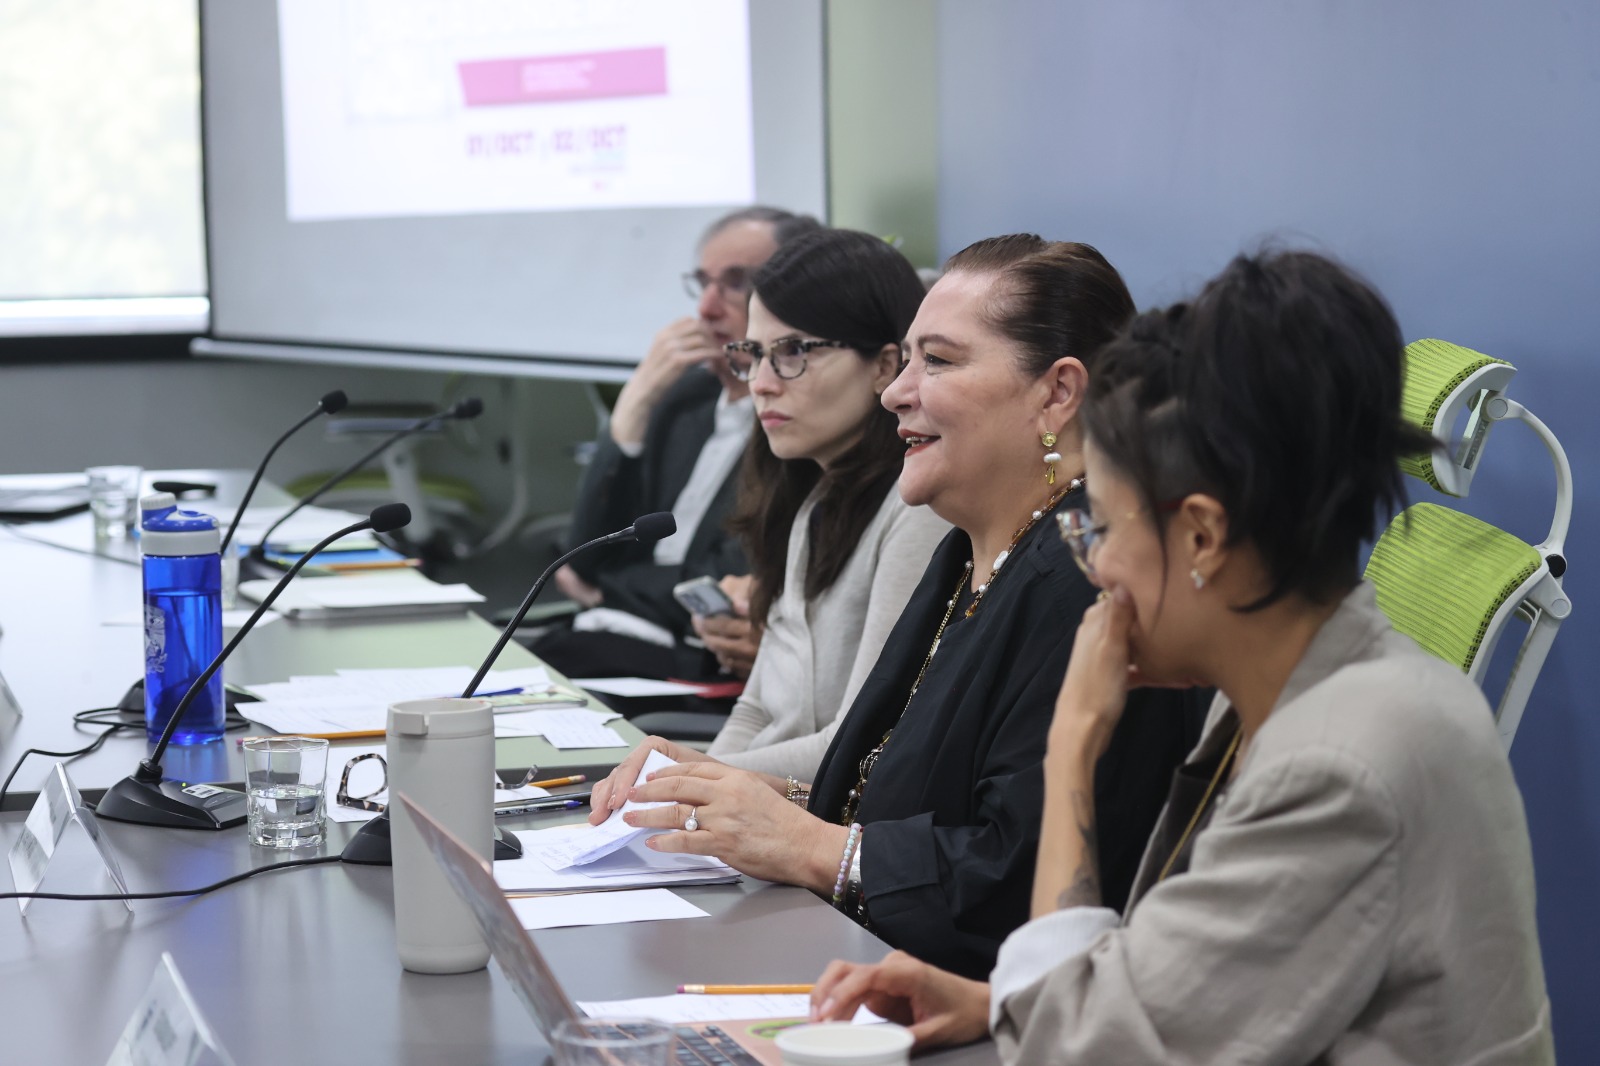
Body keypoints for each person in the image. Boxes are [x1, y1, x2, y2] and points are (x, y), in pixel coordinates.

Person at [807, 250, 1553, 1063]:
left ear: (1201, 536)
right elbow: (1187, 981)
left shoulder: (1338, 765)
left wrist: (1071, 748)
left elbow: (1086, 1056)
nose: (1095, 566)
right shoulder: (1300, 690)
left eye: (1101, 526)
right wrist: (996, 1005)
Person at [591, 236, 1205, 980]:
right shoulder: (967, 552)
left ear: (1057, 393)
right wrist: (760, 794)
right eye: (907, 359)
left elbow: (1024, 882)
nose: (895, 393)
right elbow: (906, 796)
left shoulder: (1088, 577)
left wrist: (811, 845)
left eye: (937, 361)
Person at [535, 206, 820, 684]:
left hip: (696, 660)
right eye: (703, 283)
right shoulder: (686, 397)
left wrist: (605, 591)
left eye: (736, 283)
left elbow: (726, 581)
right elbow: (584, 555)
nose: (706, 309)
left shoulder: (796, 422)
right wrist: (636, 401)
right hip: (615, 635)